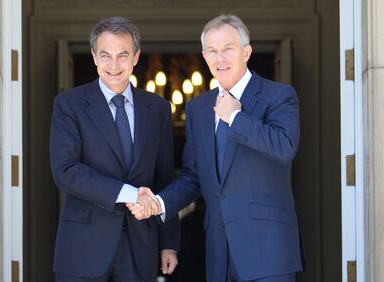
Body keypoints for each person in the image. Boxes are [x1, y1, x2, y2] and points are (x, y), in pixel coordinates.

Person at [129, 14, 305, 282]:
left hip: (268, 251)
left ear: (246, 52)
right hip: (218, 251)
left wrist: (236, 118)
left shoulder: (278, 95)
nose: (219, 58)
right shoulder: (199, 108)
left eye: (227, 49)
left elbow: (284, 146)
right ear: (204, 56)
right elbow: (192, 177)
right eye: (212, 51)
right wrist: (159, 203)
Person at [50, 16, 180, 282]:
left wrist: (169, 242)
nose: (113, 65)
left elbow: (164, 177)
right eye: (105, 55)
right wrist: (129, 194)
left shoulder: (157, 108)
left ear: (136, 57)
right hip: (82, 248)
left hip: (140, 246)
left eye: (122, 55)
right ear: (94, 57)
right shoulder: (69, 105)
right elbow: (65, 170)